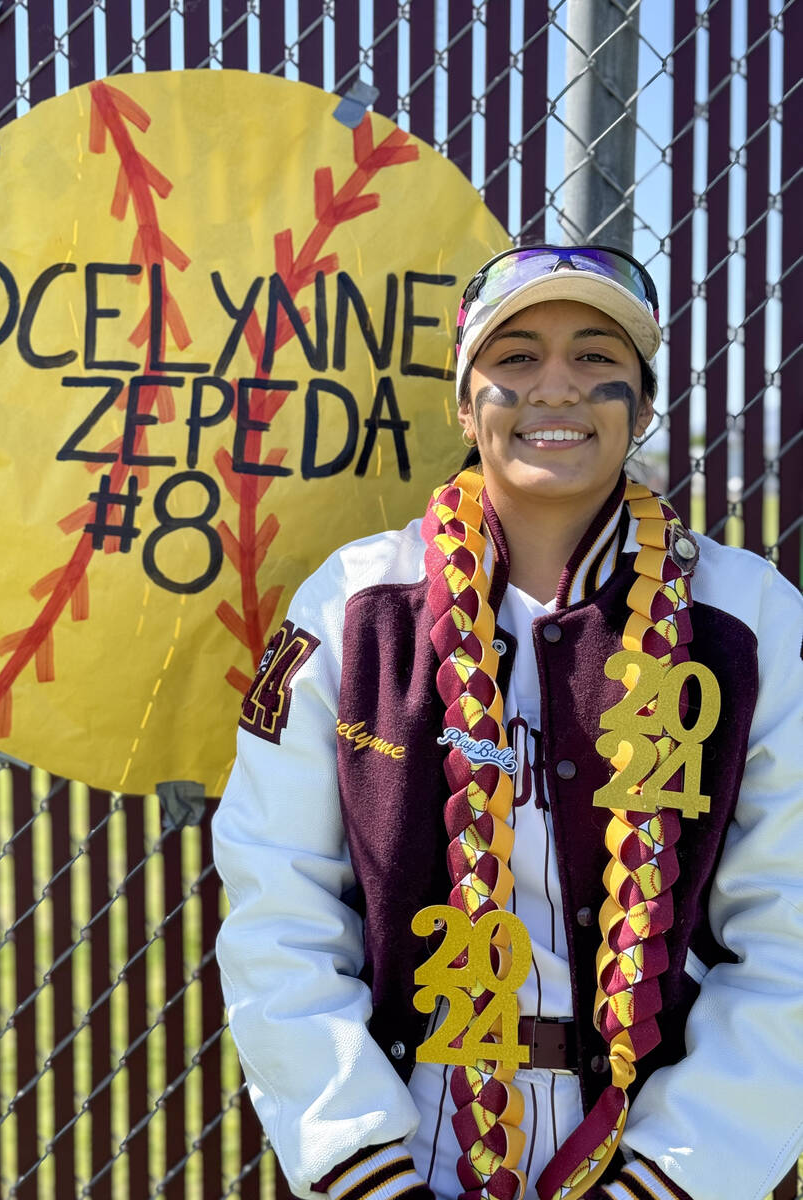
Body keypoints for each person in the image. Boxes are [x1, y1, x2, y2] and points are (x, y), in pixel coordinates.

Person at [211, 245, 803, 1200]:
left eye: (597, 357)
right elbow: (279, 908)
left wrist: (677, 1174)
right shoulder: (353, 608)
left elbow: (789, 930)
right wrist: (363, 1166)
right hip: (405, 1140)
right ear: (463, 401)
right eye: (516, 358)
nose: (557, 387)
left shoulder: (748, 619)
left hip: (665, 1141)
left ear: (643, 404)